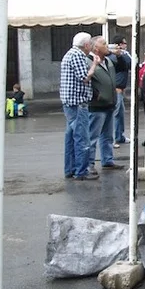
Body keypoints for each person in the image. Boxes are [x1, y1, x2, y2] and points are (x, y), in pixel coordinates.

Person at [59, 32, 99, 180]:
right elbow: (84, 77)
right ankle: (81, 171)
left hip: (70, 102)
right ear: (86, 45)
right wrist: (94, 65)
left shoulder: (70, 54)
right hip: (77, 102)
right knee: (82, 138)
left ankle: (70, 169)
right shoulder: (77, 55)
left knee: (71, 137)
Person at [87, 36, 122, 172]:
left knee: (107, 136)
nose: (107, 45)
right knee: (92, 136)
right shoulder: (88, 62)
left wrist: (119, 55)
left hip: (109, 103)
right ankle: (89, 164)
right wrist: (96, 95)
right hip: (97, 105)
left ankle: (107, 160)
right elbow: (86, 81)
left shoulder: (108, 61)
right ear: (96, 48)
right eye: (104, 43)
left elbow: (126, 65)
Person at [108, 36, 132, 147]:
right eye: (124, 43)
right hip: (116, 89)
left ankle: (119, 136)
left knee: (120, 114)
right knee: (116, 113)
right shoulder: (114, 56)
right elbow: (130, 63)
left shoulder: (121, 56)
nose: (125, 46)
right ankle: (113, 138)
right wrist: (122, 54)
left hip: (120, 89)